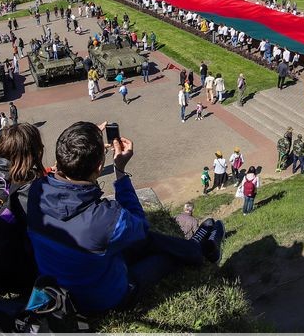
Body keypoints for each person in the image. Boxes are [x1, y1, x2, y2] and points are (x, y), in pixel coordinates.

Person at [27, 122, 224, 314]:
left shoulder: (37, 190)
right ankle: (200, 250)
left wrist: (84, 140)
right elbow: (139, 225)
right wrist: (120, 171)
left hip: (63, 281)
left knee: (148, 241)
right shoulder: (106, 219)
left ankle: (195, 246)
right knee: (164, 256)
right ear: (99, 167)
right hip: (99, 298)